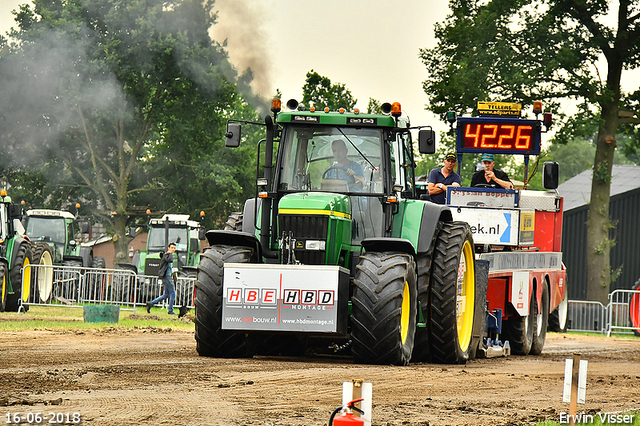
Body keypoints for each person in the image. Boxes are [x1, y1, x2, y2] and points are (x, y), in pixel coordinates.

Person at [146, 242, 177, 315]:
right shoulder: (167, 256)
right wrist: (169, 253)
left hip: (167, 276)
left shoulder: (168, 256)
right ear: (168, 248)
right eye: (172, 248)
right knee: (173, 293)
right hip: (167, 277)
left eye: (174, 248)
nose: (173, 249)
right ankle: (170, 310)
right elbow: (170, 260)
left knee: (166, 294)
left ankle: (151, 303)